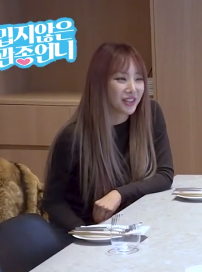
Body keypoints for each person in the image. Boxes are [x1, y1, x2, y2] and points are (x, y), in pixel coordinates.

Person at [42, 42, 174, 231]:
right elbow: (53, 203)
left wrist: (118, 194)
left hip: (131, 227)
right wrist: (88, 233)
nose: (133, 88)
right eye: (121, 79)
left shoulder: (151, 114)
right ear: (100, 84)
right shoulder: (72, 137)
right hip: (88, 233)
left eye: (138, 79)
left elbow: (164, 174)